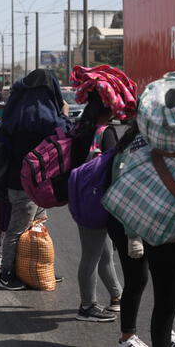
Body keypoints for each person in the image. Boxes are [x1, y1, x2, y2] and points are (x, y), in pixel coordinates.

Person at [0, 69, 68, 290]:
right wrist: (64, 114)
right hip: (31, 184)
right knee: (20, 228)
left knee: (34, 227)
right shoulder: (45, 117)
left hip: (16, 180)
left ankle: (33, 269)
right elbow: (65, 134)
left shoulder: (15, 113)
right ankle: (6, 274)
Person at [69, 90, 123, 322]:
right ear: (107, 110)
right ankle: (87, 306)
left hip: (82, 197)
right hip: (99, 201)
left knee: (104, 253)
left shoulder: (80, 130)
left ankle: (117, 297)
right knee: (92, 256)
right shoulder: (106, 133)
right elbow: (116, 168)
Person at [107, 122, 151, 347]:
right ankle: (127, 337)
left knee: (163, 283)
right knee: (137, 278)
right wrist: (133, 235)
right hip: (126, 222)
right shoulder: (135, 146)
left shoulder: (148, 141)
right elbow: (123, 189)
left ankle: (163, 332)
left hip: (145, 222)